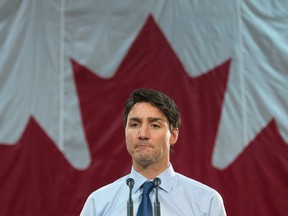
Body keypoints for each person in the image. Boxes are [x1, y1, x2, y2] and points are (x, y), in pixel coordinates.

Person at [80, 88, 226, 216]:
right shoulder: (98, 203)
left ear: (173, 136)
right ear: (125, 133)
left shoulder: (206, 202)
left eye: (155, 125)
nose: (143, 134)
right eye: (134, 124)